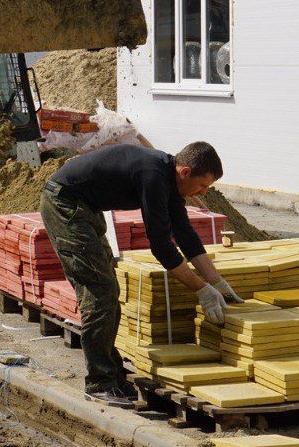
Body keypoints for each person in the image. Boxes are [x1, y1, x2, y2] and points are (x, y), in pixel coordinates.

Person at [40, 141, 237, 409]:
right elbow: (161, 246)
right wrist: (201, 289)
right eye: (203, 185)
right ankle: (100, 383)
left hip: (85, 207)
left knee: (108, 290)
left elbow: (185, 235)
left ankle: (113, 376)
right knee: (100, 292)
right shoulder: (153, 175)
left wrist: (218, 283)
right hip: (65, 204)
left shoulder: (169, 180)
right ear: (185, 172)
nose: (203, 193)